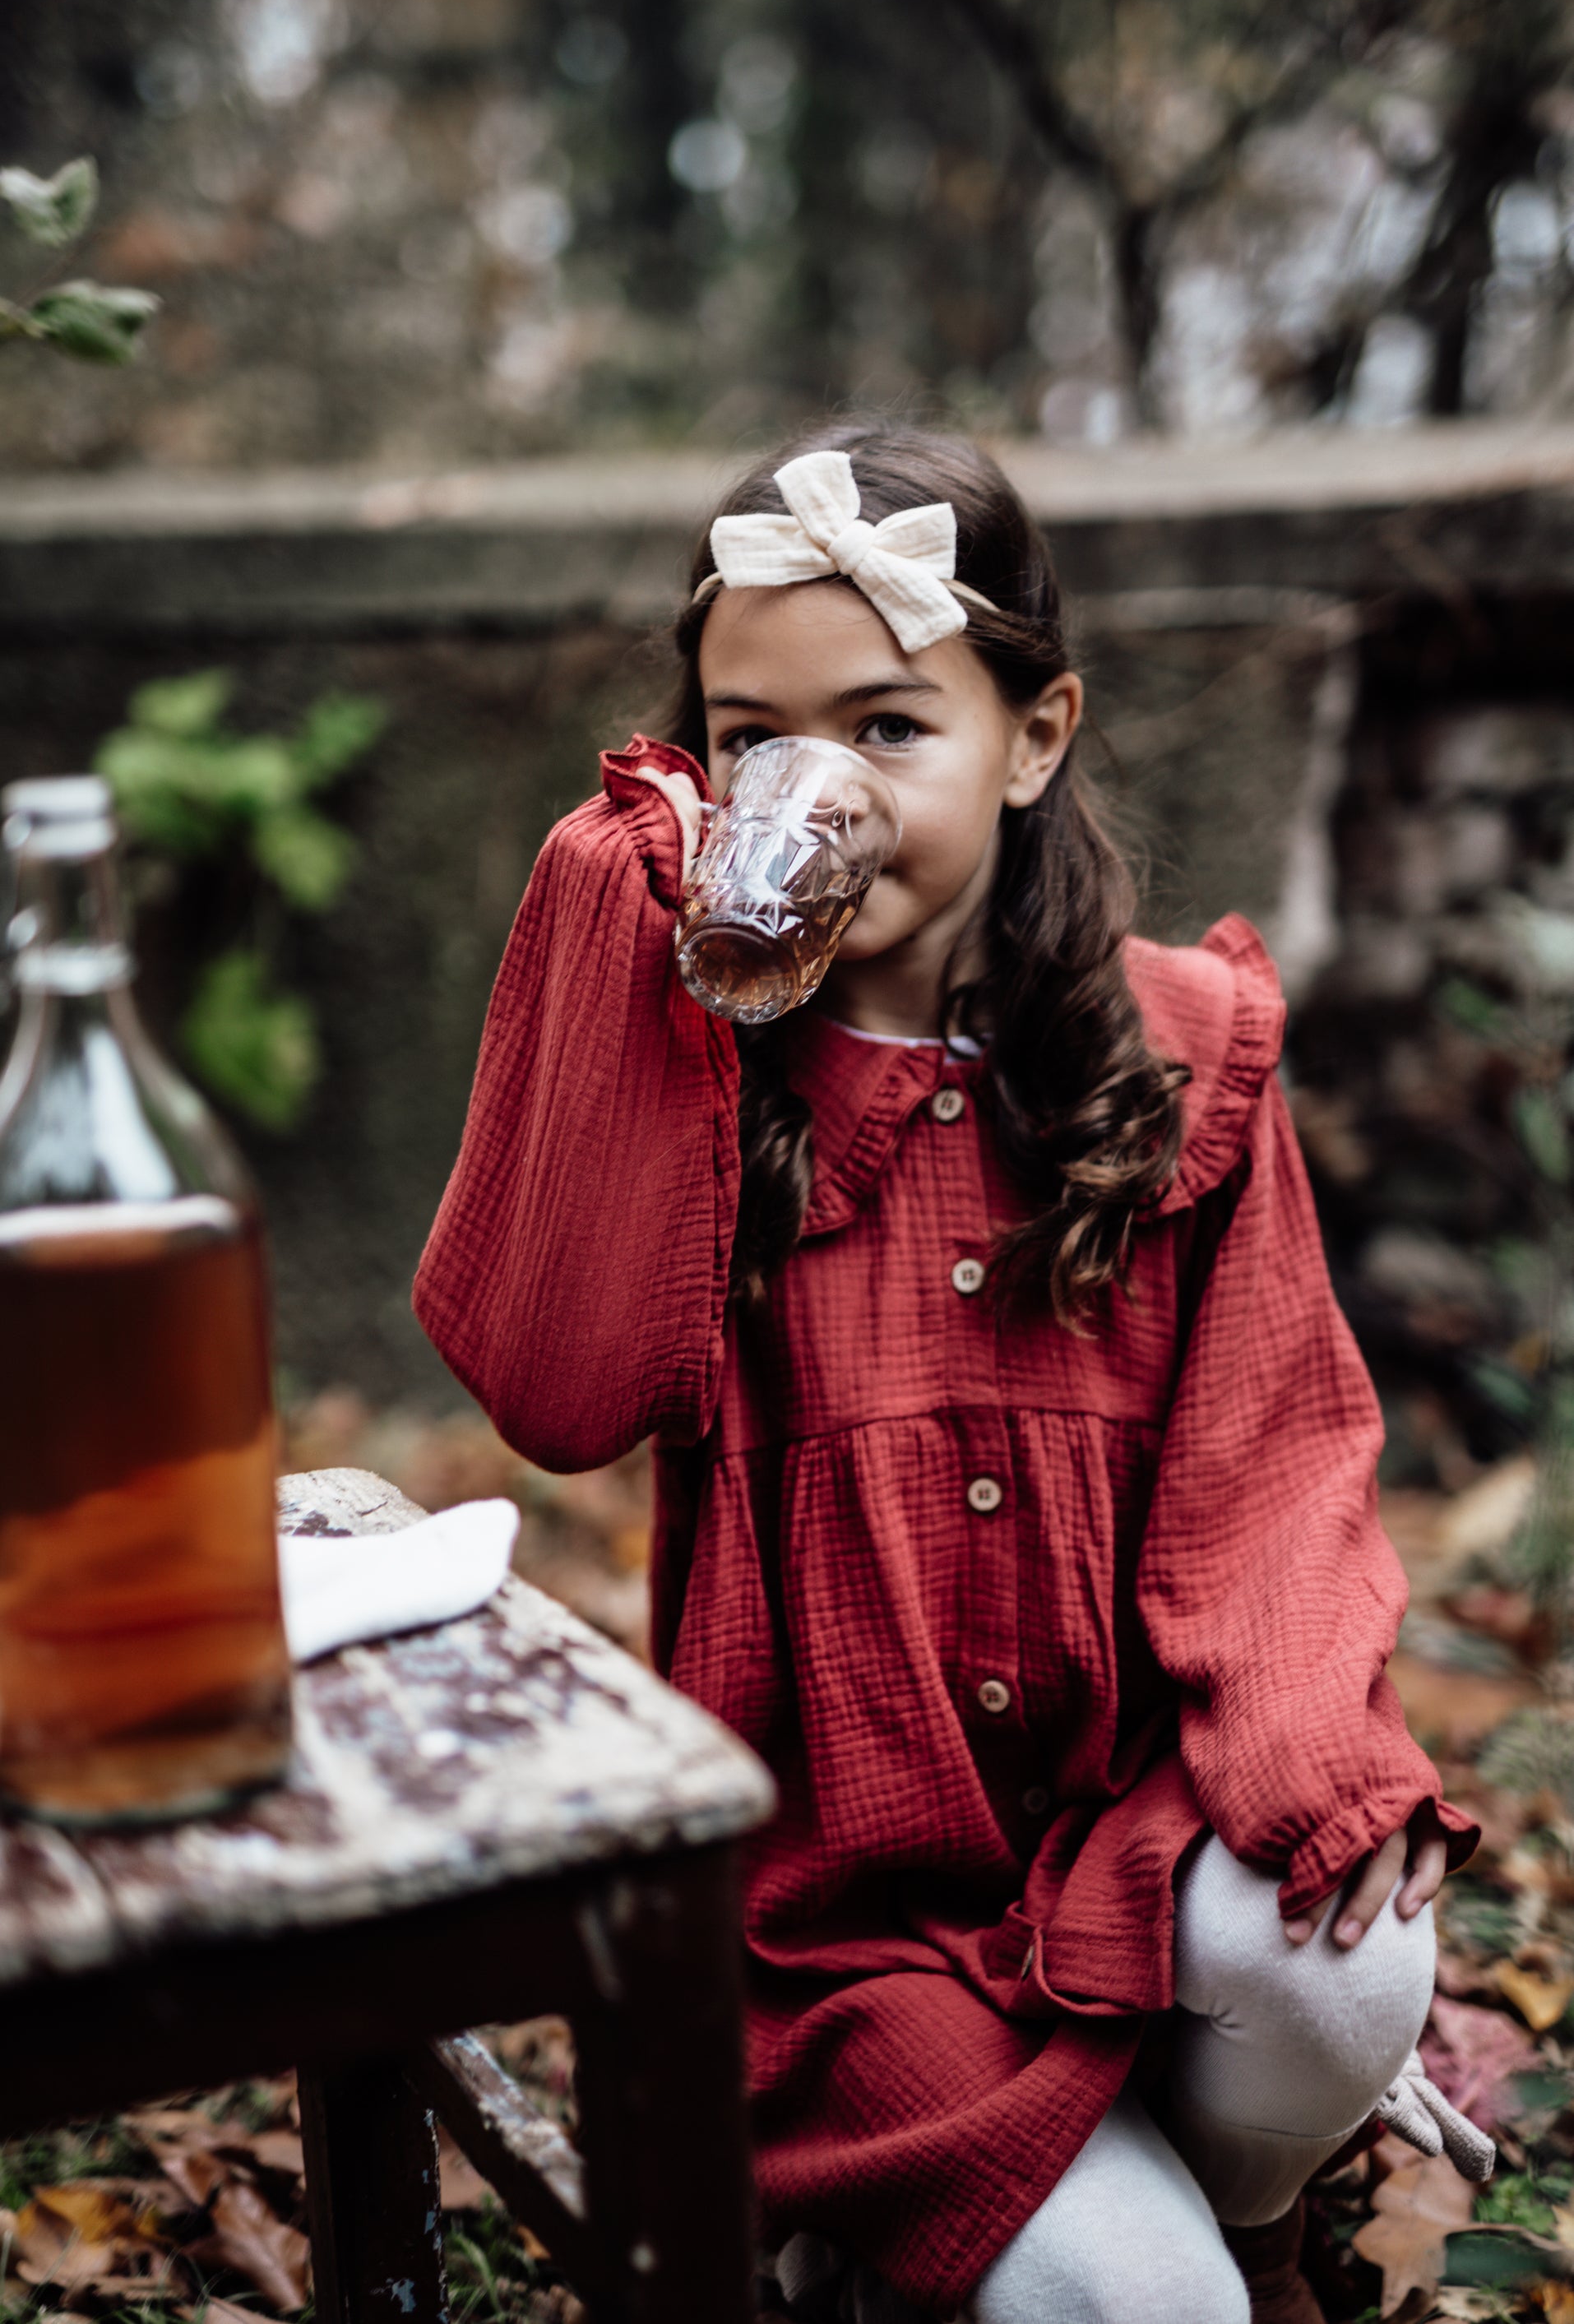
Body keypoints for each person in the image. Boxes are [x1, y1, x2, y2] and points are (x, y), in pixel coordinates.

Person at [414, 422, 1489, 2324]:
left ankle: (1241, 2202)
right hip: (841, 1925)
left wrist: (1317, 1756)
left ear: (1035, 735)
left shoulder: (1186, 1052)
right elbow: (552, 1390)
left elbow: (1279, 1460)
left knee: (1345, 1959)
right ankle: (981, 2200)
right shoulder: (703, 1092)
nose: (814, 784)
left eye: (890, 727)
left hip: (1125, 1820)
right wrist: (608, 906)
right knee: (1139, 2306)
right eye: (752, 737)